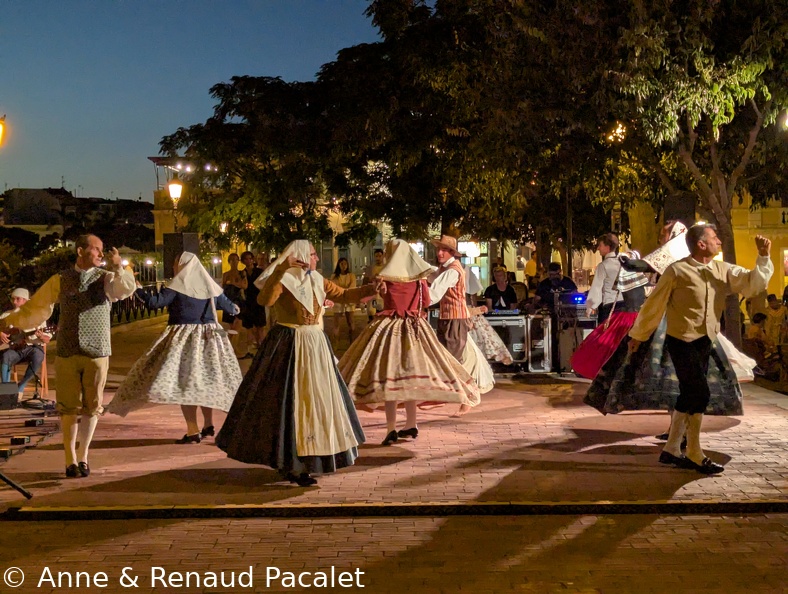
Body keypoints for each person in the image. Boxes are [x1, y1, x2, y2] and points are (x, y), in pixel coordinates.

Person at [216, 240, 377, 487]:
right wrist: (280, 269)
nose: (316, 258)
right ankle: (292, 462)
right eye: (312, 254)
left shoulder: (317, 280)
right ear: (300, 256)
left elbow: (344, 295)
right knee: (289, 404)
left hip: (315, 344)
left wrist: (372, 288)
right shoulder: (285, 280)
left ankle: (311, 459)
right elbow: (265, 300)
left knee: (317, 402)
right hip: (289, 343)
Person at [628, 225, 772, 474]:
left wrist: (763, 257)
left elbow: (752, 284)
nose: (719, 242)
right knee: (699, 392)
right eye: (714, 238)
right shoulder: (677, 271)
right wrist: (638, 335)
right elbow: (654, 304)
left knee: (689, 394)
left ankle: (672, 449)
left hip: (705, 339)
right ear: (701, 244)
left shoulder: (722, 270)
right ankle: (694, 452)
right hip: (681, 339)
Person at [0, 234, 135, 478]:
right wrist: (12, 323)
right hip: (67, 351)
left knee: (92, 406)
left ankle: (84, 456)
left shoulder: (106, 278)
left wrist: (119, 268)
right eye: (96, 249)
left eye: (102, 250)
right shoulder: (60, 279)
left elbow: (124, 290)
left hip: (97, 350)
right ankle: (69, 459)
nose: (101, 254)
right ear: (81, 251)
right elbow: (36, 308)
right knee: (68, 407)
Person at [339, 240, 480, 445]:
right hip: (415, 328)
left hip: (390, 328)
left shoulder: (385, 277)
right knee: (409, 378)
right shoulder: (419, 278)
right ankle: (411, 423)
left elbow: (370, 298)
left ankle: (391, 428)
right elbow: (427, 301)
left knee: (390, 378)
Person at [106, 252, 243, 442]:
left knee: (185, 386)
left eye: (176, 264)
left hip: (184, 341)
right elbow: (233, 309)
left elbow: (155, 303)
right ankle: (208, 424)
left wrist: (137, 289)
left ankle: (192, 430)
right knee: (204, 384)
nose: (174, 268)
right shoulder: (211, 287)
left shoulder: (177, 286)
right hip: (210, 342)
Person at [428, 235, 494, 414]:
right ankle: (456, 396)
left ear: (451, 253)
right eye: (438, 249)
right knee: (456, 359)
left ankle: (466, 396)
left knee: (453, 360)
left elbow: (434, 293)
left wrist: (416, 300)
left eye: (444, 250)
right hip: (450, 319)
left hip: (455, 321)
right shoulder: (445, 269)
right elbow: (432, 276)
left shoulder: (453, 271)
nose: (439, 253)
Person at [571, 251, 649, 380]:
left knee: (613, 346)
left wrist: (591, 306)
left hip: (628, 316)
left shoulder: (626, 275)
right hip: (632, 316)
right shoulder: (637, 277)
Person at [0, 288, 53, 397]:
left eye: (17, 299)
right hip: (15, 349)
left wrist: (42, 336)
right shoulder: (7, 315)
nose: (14, 302)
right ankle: (5, 391)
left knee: (39, 355)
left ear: (26, 301)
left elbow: (47, 339)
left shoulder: (38, 316)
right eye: (13, 299)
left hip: (33, 348)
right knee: (6, 356)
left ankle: (20, 387)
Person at [586, 233, 624, 325]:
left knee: (606, 336)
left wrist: (590, 307)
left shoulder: (603, 265)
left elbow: (596, 287)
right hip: (624, 305)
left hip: (609, 306)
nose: (598, 248)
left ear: (607, 247)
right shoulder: (623, 263)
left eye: (600, 245)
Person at [221, 253, 249, 358]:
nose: (234, 262)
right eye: (232, 260)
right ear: (229, 261)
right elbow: (223, 287)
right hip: (229, 301)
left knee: (238, 325)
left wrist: (233, 283)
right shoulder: (226, 274)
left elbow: (245, 285)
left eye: (236, 259)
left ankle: (231, 349)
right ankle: (231, 349)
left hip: (238, 301)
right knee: (232, 326)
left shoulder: (242, 273)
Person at [240, 251, 267, 347]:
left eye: (250, 259)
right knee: (250, 326)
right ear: (243, 261)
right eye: (246, 259)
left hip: (258, 300)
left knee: (260, 325)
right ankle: (254, 343)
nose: (248, 261)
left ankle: (261, 344)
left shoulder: (259, 272)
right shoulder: (242, 273)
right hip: (248, 301)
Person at [329, 258, 357, 342]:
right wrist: (343, 291)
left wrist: (343, 291)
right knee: (336, 322)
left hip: (349, 301)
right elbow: (333, 287)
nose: (344, 266)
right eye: (342, 264)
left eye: (345, 264)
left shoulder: (351, 276)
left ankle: (352, 340)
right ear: (338, 265)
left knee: (351, 321)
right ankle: (336, 342)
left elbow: (352, 287)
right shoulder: (334, 276)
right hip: (338, 300)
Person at [362, 249, 386, 322]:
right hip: (372, 296)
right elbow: (365, 282)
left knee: (381, 313)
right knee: (371, 314)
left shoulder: (386, 268)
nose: (378, 258)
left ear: (383, 256)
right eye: (376, 256)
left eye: (379, 256)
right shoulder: (370, 269)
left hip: (383, 296)